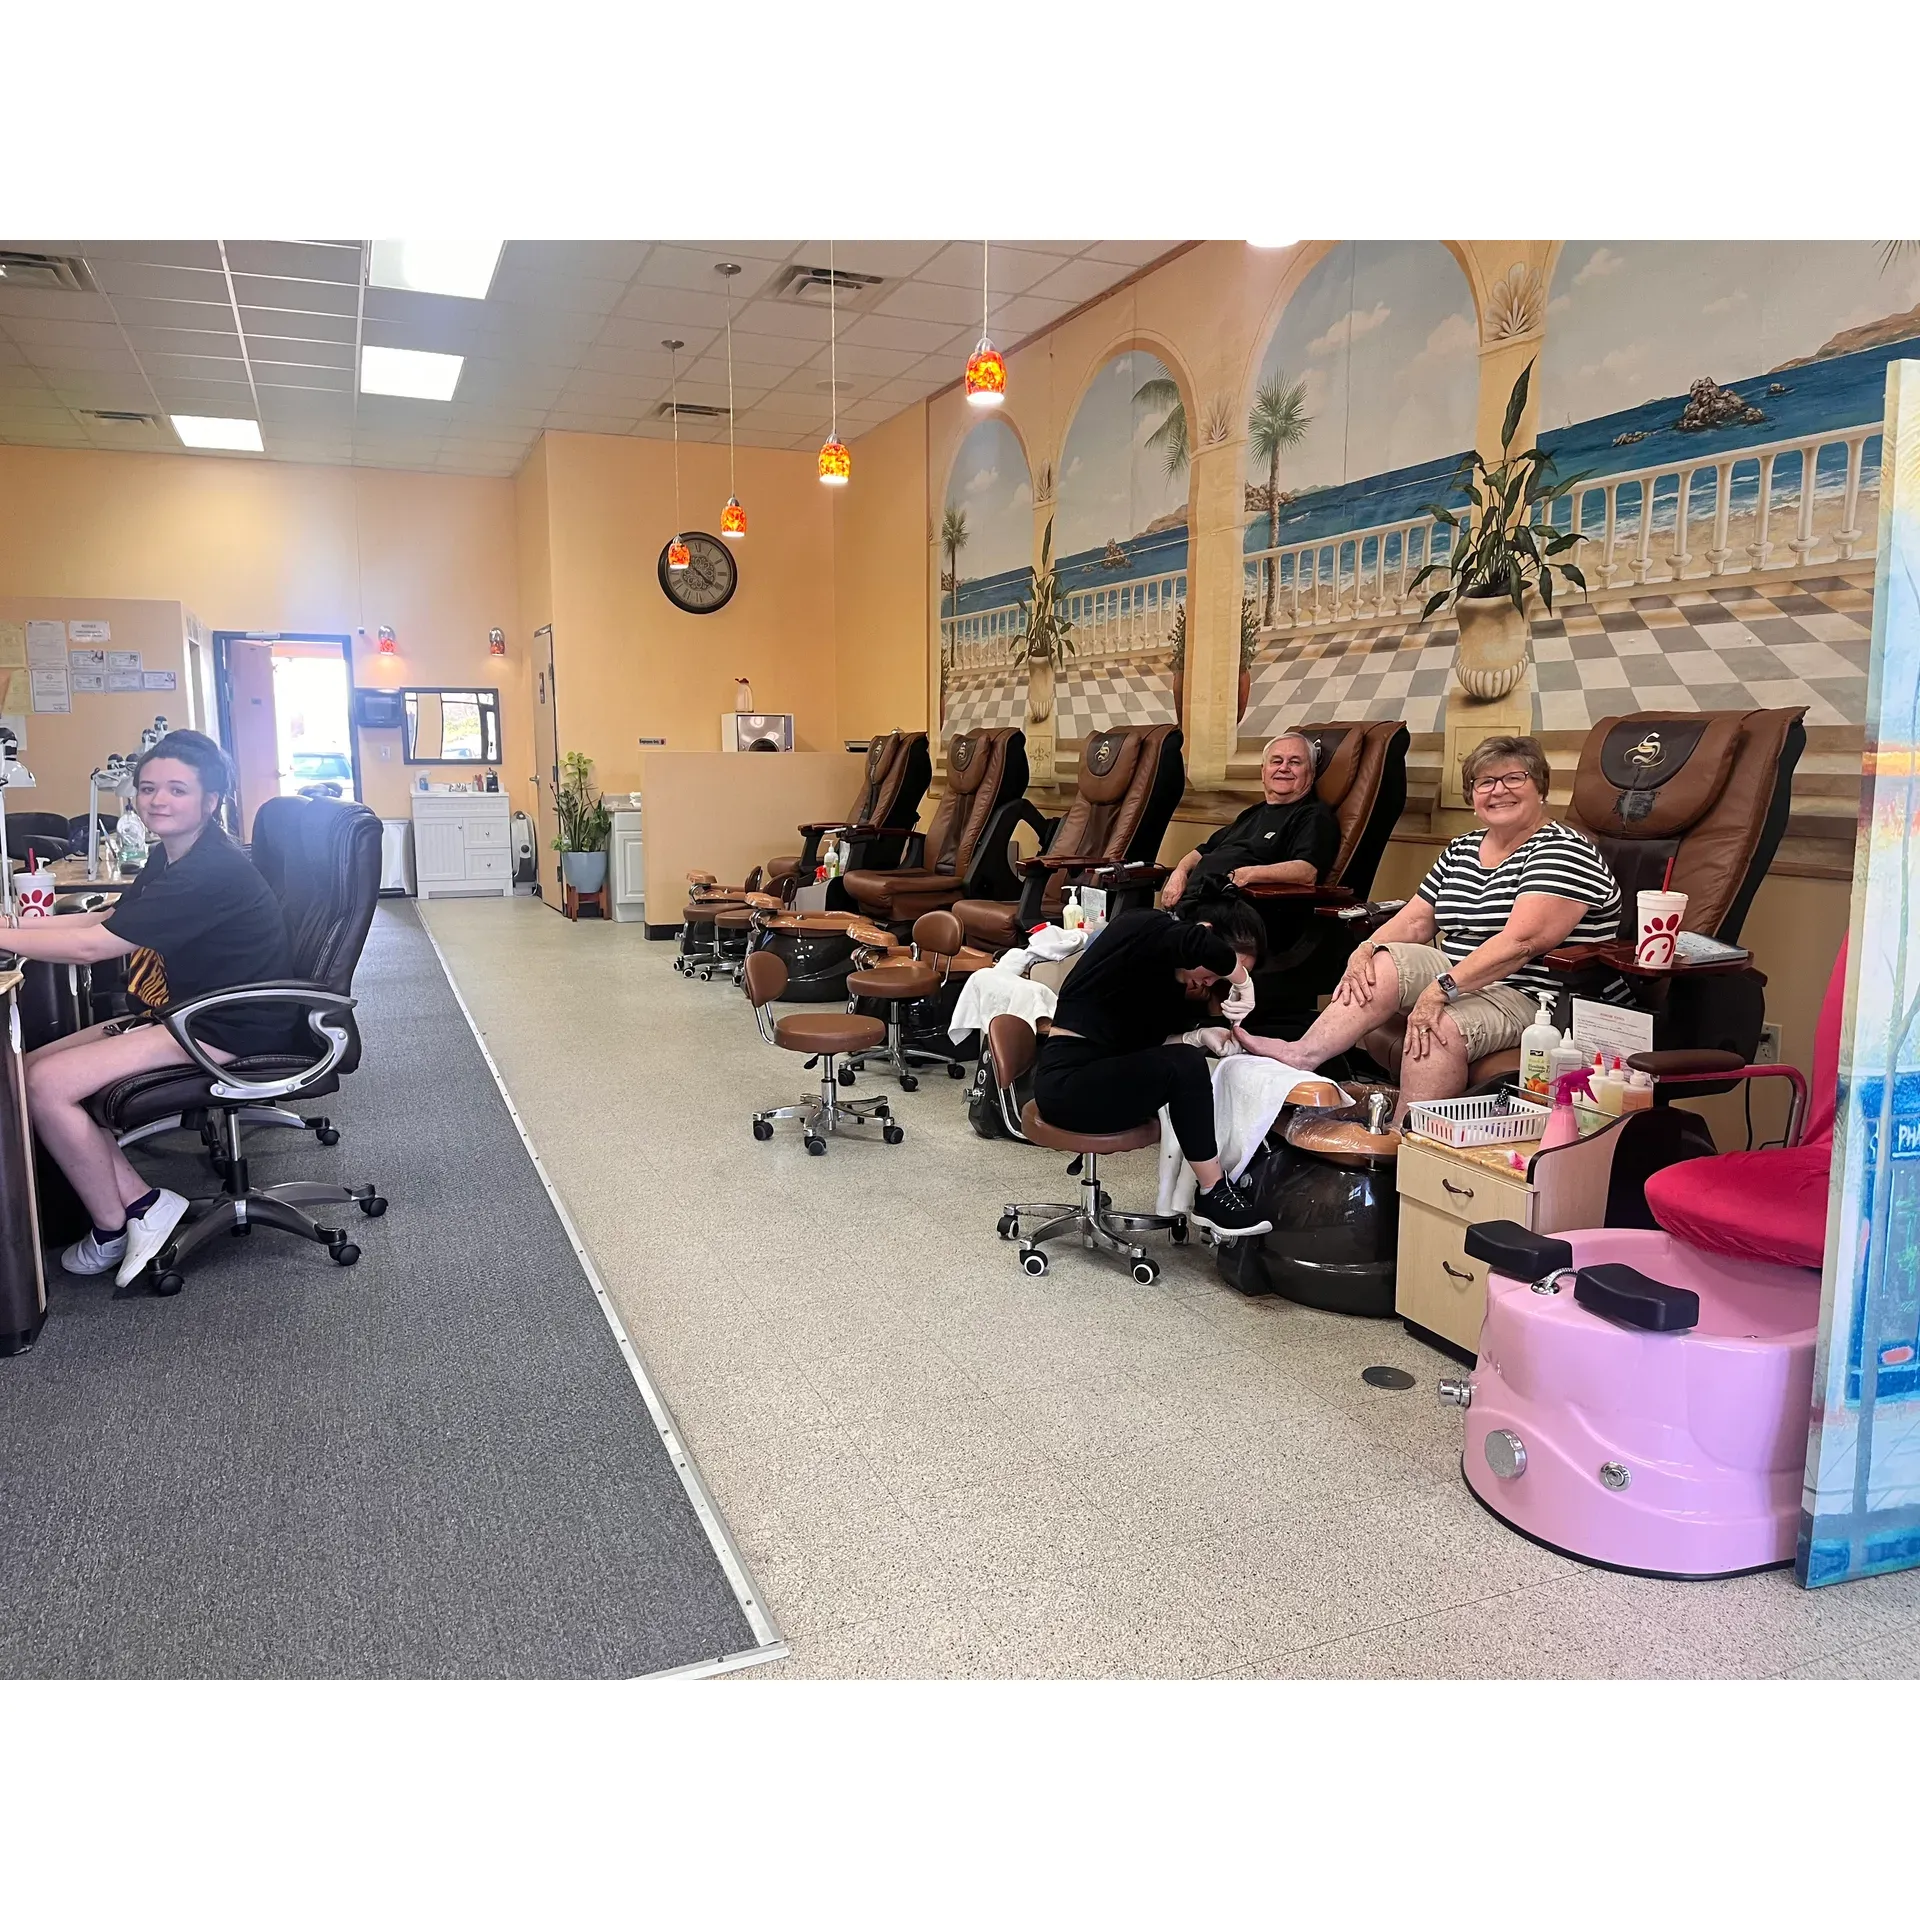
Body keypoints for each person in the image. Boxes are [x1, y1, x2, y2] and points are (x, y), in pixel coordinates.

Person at [5, 730, 297, 1287]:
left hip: (227, 1023)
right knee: (26, 1070)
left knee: (46, 1084)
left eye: (177, 790)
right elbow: (104, 920)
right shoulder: (173, 855)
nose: (157, 800)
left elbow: (94, 948)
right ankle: (137, 1207)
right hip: (185, 1010)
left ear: (210, 801)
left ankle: (120, 1219)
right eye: (147, 788)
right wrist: (12, 925)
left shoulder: (207, 870)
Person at [1253, 735, 1620, 1100]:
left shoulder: (1562, 850)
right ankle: (1303, 1054)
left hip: (1530, 994)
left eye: (1514, 778)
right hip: (1461, 974)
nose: (1498, 790)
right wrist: (1364, 950)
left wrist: (1440, 989)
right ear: (1472, 795)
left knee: (1436, 1025)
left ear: (1540, 788)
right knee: (1380, 962)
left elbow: (1519, 944)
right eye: (1485, 782)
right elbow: (1416, 920)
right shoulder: (1462, 847)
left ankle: (1407, 1129)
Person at [1033, 898, 1274, 1237]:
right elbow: (1196, 943)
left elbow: (1146, 1049)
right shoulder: (1142, 928)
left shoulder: (1169, 989)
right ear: (1205, 932)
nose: (1212, 982)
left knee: (1188, 1062)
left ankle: (1215, 1189)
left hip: (1103, 1080)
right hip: (1067, 1085)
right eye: (1218, 971)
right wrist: (1243, 983)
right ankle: (1212, 1192)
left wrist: (1196, 1036)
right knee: (1186, 1064)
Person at [1160, 731, 1338, 908]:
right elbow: (1204, 850)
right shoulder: (1253, 812)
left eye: (1295, 762)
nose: (1284, 768)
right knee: (1143, 920)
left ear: (1311, 772)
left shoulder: (1313, 815)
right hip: (1190, 906)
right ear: (1263, 771)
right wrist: (1180, 871)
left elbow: (1306, 872)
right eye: (1277, 761)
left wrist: (1245, 875)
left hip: (1232, 912)